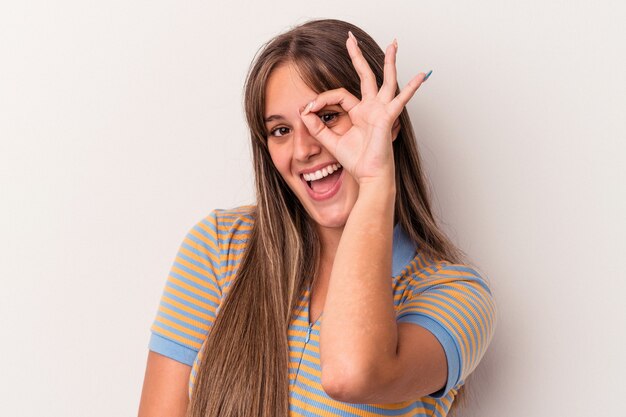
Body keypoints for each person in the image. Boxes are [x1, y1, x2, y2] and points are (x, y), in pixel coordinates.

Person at [138, 18, 496, 417]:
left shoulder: (455, 295)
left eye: (327, 117)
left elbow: (351, 375)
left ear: (387, 124)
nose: (305, 148)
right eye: (280, 130)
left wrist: (375, 181)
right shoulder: (221, 245)